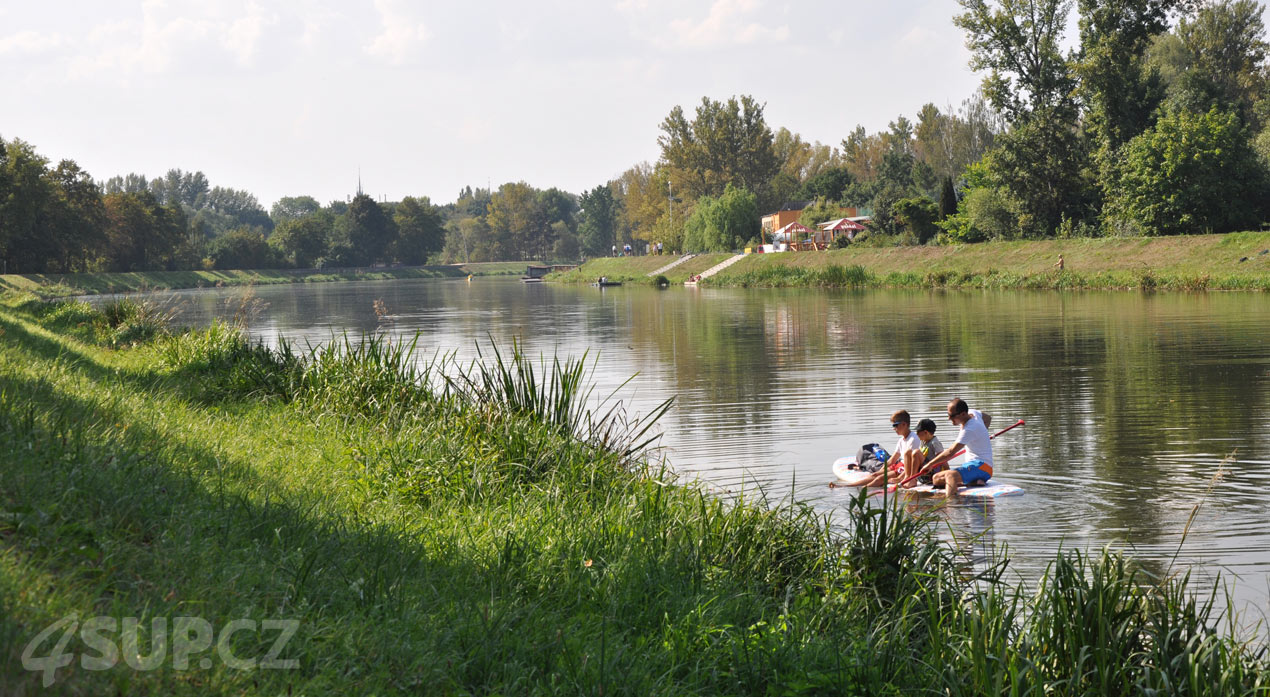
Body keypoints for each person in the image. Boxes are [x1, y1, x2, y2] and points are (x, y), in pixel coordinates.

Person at [926, 398, 993, 496]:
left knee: (950, 475)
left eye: (952, 416)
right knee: (936, 478)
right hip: (973, 466)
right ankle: (973, 482)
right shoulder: (973, 413)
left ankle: (951, 505)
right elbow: (987, 418)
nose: (949, 418)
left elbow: (950, 452)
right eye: (948, 415)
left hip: (983, 467)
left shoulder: (969, 429)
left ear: (963, 414)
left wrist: (929, 464)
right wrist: (982, 435)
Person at [858, 410, 920, 487]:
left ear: (904, 424)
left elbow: (912, 464)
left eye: (895, 425)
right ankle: (848, 486)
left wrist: (901, 478)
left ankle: (863, 489)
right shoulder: (901, 440)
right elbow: (892, 459)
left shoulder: (913, 439)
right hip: (899, 465)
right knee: (875, 474)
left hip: (905, 468)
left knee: (879, 478)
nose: (894, 428)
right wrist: (882, 470)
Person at [902, 418, 945, 488]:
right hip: (923, 471)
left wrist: (947, 474)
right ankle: (907, 477)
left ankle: (913, 479)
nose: (916, 434)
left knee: (916, 452)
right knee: (908, 452)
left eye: (918, 431)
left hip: (931, 473)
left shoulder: (935, 443)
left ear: (926, 432)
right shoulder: (923, 442)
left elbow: (943, 459)